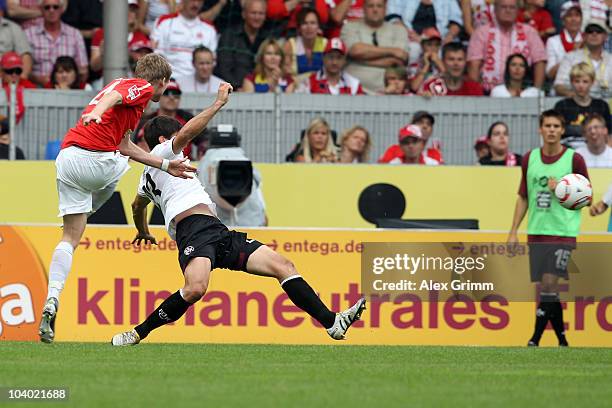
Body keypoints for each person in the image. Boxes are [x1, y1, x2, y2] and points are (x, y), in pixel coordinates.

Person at [111, 83, 366, 345]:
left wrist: (142, 231)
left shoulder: (145, 179)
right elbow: (187, 132)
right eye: (177, 138)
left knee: (284, 266)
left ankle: (332, 322)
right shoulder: (163, 152)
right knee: (195, 289)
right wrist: (218, 103)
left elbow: (136, 206)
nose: (184, 145)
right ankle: (137, 332)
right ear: (165, 141)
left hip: (216, 231)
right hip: (194, 231)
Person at [37, 54, 198, 344]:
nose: (161, 93)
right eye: (165, 85)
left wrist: (163, 166)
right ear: (160, 81)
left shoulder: (126, 99)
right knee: (118, 166)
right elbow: (113, 97)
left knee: (70, 237)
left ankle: (51, 298)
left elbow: (126, 144)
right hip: (97, 162)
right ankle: (92, 205)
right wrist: (98, 111)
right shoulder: (142, 87)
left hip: (67, 160)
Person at [508, 109, 589, 347]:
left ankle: (535, 339)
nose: (552, 130)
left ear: (562, 130)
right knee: (547, 290)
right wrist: (513, 231)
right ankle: (562, 340)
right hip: (537, 232)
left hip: (562, 232)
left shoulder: (574, 159)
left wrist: (561, 189)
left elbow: (586, 197)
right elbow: (523, 197)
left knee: (549, 284)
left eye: (556, 126)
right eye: (548, 126)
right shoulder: (529, 158)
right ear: (540, 129)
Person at [467, 0, 546, 93]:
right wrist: (478, 93)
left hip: (522, 93)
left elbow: (540, 62)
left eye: (512, 7)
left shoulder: (530, 32)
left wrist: (535, 92)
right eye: (503, 7)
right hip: (488, 93)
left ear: (517, 11)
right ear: (495, 10)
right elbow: (473, 65)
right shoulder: (481, 32)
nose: (508, 10)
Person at [341, 0, 411, 94]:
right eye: (371, 6)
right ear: (364, 8)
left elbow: (399, 60)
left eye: (379, 6)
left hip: (391, 92)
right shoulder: (349, 27)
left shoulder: (399, 31)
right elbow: (355, 51)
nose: (375, 9)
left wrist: (358, 60)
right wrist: (393, 51)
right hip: (354, 91)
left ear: (385, 9)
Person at [24, 0, 88, 86]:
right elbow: (22, 71)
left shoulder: (74, 34)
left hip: (68, 89)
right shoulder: (28, 34)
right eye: (47, 7)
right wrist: (37, 79)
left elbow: (83, 71)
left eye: (55, 7)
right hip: (37, 88)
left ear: (62, 9)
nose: (51, 10)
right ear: (40, 10)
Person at [152, 0, 218, 78]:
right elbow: (156, 54)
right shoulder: (164, 22)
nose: (196, 4)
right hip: (169, 80)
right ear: (182, 1)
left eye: (199, 1)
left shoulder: (209, 29)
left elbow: (211, 60)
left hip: (198, 81)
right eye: (192, 1)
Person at [214, 0, 271, 89]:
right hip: (234, 91)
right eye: (253, 13)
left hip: (263, 90)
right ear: (244, 14)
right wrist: (237, 88)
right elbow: (223, 69)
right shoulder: (229, 36)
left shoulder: (268, 38)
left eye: (261, 13)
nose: (257, 17)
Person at [554, 62, 612, 148]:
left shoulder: (602, 106)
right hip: (568, 150)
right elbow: (555, 133)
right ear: (571, 82)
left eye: (585, 82)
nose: (581, 85)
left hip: (596, 150)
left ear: (592, 82)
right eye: (577, 81)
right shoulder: (562, 106)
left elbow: (609, 134)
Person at [135, 79, 196, 158]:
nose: (172, 97)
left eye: (176, 94)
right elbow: (140, 147)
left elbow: (204, 142)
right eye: (166, 93)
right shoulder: (146, 122)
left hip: (184, 164)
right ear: (159, 95)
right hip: (153, 165)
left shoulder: (188, 119)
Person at [554, 20, 612, 98]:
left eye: (598, 31)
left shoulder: (611, 59)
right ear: (584, 36)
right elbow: (559, 86)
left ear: (605, 36)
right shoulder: (570, 57)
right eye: (590, 31)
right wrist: (579, 98)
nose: (594, 34)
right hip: (578, 105)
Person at [300, 37, 364, 95]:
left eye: (339, 58)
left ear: (344, 60)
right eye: (331, 57)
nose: (334, 62)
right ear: (323, 58)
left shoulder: (354, 84)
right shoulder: (310, 82)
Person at [418, 42, 484, 96]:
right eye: (451, 59)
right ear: (443, 62)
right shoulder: (431, 86)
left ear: (465, 63)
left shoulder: (475, 88)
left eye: (460, 59)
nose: (456, 63)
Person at [386, 0, 463, 45]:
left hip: (441, 41)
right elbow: (393, 18)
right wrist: (414, 37)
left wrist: (449, 37)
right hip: (410, 39)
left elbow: (456, 21)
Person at [283, 8, 327, 80]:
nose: (309, 27)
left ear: (318, 26)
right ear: (299, 28)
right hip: (296, 87)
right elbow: (286, 75)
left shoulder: (325, 44)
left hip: (320, 88)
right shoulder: (290, 45)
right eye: (304, 23)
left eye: (313, 23)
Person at [546, 1, 583, 81]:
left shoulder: (588, 40)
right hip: (560, 87)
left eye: (577, 15)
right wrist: (572, 54)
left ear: (581, 20)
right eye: (569, 16)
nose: (573, 19)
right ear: (563, 20)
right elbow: (550, 74)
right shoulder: (553, 41)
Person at [409, 27, 444, 92]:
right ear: (422, 46)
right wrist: (426, 65)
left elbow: (451, 83)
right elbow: (413, 87)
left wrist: (439, 64)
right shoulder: (415, 64)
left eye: (436, 45)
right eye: (429, 45)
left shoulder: (443, 64)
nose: (433, 48)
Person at [0, 10, 33, 79]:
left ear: (1, 11)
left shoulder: (13, 28)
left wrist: (19, 80)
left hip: (8, 79)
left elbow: (26, 56)